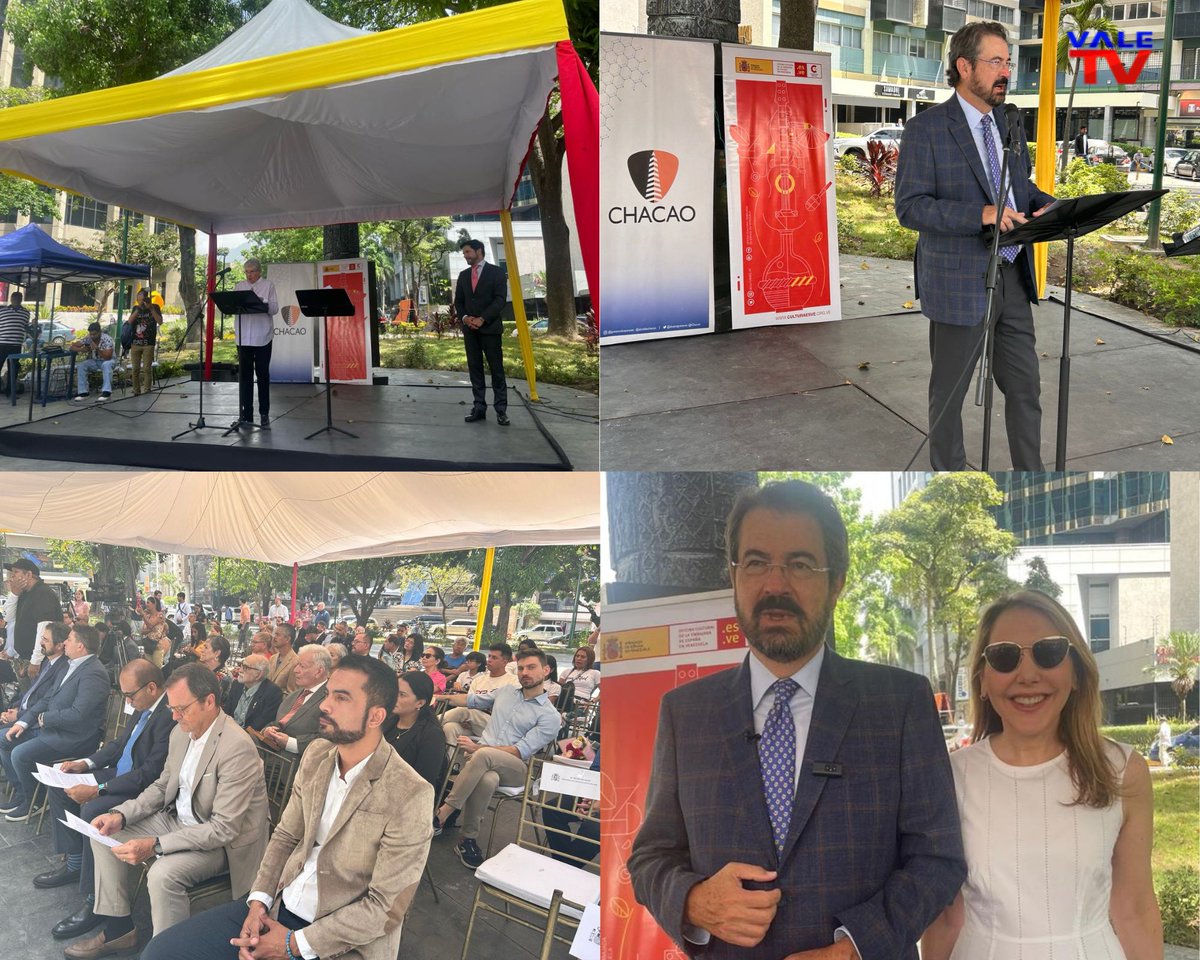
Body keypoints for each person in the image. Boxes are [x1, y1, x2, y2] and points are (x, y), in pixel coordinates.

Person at [627, 480, 965, 959]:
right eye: (757, 562)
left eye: (801, 564)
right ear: (735, 574)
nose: (775, 584)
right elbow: (650, 857)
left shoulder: (899, 703)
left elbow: (938, 858)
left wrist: (853, 948)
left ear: (837, 581)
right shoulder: (686, 713)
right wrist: (695, 902)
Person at [139, 655, 433, 960]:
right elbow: (285, 837)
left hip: (340, 936)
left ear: (375, 717)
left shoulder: (409, 793)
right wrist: (258, 903)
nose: (324, 705)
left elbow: (384, 908)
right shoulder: (318, 755)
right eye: (328, 693)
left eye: (341, 698)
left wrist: (293, 945)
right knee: (161, 952)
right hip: (279, 905)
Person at [921, 591, 1161, 960]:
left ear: (1076, 672)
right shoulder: (950, 776)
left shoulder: (1122, 771)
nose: (1028, 675)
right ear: (983, 681)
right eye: (1005, 657)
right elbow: (947, 919)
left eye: (1048, 652)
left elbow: (1134, 908)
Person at [894, 21, 1054, 471]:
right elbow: (910, 207)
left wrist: (1052, 207)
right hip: (958, 283)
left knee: (1025, 388)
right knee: (949, 397)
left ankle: (1031, 478)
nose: (1006, 72)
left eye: (1008, 62)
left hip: (1014, 279)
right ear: (964, 67)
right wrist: (979, 214)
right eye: (996, 62)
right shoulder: (925, 129)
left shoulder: (1009, 122)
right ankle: (948, 476)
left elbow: (1017, 187)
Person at [69, 664, 269, 958]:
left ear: (209, 701)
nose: (174, 716)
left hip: (223, 844)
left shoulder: (236, 747)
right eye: (172, 708)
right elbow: (162, 786)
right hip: (178, 820)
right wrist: (121, 815)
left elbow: (223, 829)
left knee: (162, 874)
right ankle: (119, 929)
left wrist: (156, 845)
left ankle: (167, 952)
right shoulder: (181, 732)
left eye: (181, 708)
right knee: (103, 832)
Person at [42, 660, 175, 943]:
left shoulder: (168, 715)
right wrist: (85, 763)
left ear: (152, 687)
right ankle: (76, 862)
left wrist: (100, 788)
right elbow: (119, 745)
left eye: (130, 695)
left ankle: (94, 899)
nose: (127, 701)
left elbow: (150, 773)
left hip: (139, 787)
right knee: (59, 786)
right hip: (120, 773)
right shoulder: (142, 706)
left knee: (93, 810)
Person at [434, 648, 561, 869]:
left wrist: (479, 747)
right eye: (521, 668)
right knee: (488, 778)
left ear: (546, 670)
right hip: (484, 762)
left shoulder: (550, 716)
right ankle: (468, 839)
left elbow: (520, 750)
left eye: (531, 667)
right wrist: (438, 697)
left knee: (483, 754)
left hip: (517, 769)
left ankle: (444, 812)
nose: (524, 672)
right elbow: (471, 700)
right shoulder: (507, 691)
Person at [0, 623, 110, 823]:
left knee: (19, 754)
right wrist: (23, 722)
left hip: (74, 738)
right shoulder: (70, 665)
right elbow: (46, 699)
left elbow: (79, 714)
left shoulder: (94, 672)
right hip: (54, 729)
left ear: (81, 646)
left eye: (70, 639)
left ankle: (38, 801)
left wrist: (44, 719)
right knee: (6, 739)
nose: (65, 642)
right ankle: (24, 793)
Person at [454, 238, 509, 426]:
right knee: (475, 370)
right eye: (464, 254)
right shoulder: (463, 276)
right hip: (470, 331)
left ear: (479, 251)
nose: (466, 256)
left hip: (490, 329)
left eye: (468, 252)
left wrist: (482, 318)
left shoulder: (497, 272)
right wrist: (465, 318)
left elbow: (500, 300)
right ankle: (479, 408)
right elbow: (458, 302)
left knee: (497, 370)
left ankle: (501, 410)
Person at [435, 640, 520, 741]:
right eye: (489, 656)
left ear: (504, 662)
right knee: (449, 727)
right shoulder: (479, 680)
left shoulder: (513, 682)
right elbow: (468, 703)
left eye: (494, 658)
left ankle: (429, 724)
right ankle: (447, 756)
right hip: (472, 722)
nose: (489, 660)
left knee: (466, 711)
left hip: (496, 724)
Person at [259, 644, 331, 756]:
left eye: (302, 666)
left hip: (297, 764)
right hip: (271, 755)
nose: (296, 670)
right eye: (297, 665)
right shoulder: (294, 695)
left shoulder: (331, 699)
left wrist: (292, 743)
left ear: (318, 671)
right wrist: (267, 730)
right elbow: (279, 722)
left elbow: (328, 739)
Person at [233, 257, 279, 429]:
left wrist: (262, 304)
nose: (249, 275)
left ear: (259, 271)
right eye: (247, 272)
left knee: (262, 376)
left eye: (252, 271)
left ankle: (264, 413)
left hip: (262, 337)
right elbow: (232, 306)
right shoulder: (240, 286)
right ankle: (247, 414)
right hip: (243, 337)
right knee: (244, 377)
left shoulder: (268, 285)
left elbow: (274, 308)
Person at [384, 670, 447, 789]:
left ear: (420, 703)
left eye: (402, 695)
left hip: (405, 795)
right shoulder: (387, 721)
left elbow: (423, 782)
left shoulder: (432, 735)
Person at [4, 557, 63, 681]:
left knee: (35, 697)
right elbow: (8, 617)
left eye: (16, 572)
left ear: (29, 574)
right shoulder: (24, 593)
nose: (11, 577)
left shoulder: (42, 593)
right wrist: (14, 594)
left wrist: (35, 661)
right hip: (24, 657)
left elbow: (44, 627)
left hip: (38, 660)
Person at [222, 653, 283, 732]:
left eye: (246, 667)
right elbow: (226, 713)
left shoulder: (272, 693)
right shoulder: (237, 685)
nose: (240, 670)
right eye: (241, 665)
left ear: (259, 674)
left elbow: (260, 725)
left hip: (250, 738)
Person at [70, 321, 117, 403]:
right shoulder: (89, 338)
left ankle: (106, 393)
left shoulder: (107, 339)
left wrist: (97, 349)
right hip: (96, 361)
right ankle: (83, 393)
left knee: (106, 365)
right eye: (91, 334)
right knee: (82, 365)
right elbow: (72, 346)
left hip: (109, 361)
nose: (92, 336)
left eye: (94, 334)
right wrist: (81, 349)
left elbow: (108, 357)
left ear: (99, 332)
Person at [127, 288, 162, 396]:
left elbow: (160, 321)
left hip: (148, 343)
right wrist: (138, 309)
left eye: (142, 296)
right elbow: (129, 322)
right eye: (138, 297)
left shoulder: (155, 307)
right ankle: (136, 390)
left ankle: (147, 389)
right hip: (135, 343)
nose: (140, 299)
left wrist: (151, 308)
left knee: (147, 368)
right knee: (135, 369)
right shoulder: (136, 308)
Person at [0, 290, 31, 392]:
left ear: (21, 300)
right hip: (2, 343)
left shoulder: (26, 313)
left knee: (13, 369)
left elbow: (25, 327)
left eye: (19, 298)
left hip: (16, 345)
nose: (16, 300)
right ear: (11, 299)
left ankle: (10, 391)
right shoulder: (2, 311)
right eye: (15, 298)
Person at [265, 621, 299, 694]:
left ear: (287, 639)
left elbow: (291, 694)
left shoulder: (295, 662)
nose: (274, 637)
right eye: (274, 634)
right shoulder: (273, 658)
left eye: (277, 635)